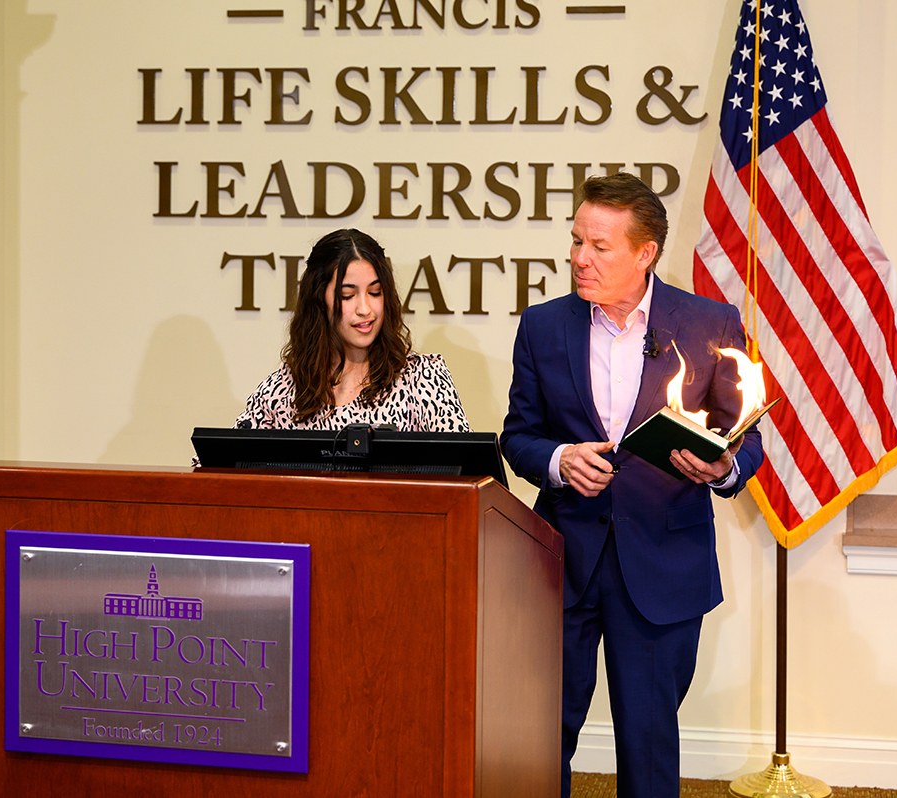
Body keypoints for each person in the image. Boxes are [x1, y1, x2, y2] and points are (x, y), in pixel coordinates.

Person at [500, 173, 765, 798]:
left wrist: (721, 467)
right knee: (538, 736)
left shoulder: (710, 323)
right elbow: (518, 435)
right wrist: (560, 459)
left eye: (598, 246)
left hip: (662, 563)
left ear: (644, 253)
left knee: (648, 746)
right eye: (575, 241)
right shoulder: (542, 327)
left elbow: (747, 438)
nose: (578, 258)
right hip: (561, 563)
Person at [236, 228, 472, 432]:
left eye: (375, 292)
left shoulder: (422, 379)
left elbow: (469, 471)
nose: (365, 309)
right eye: (347, 295)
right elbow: (214, 469)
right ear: (319, 300)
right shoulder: (287, 386)